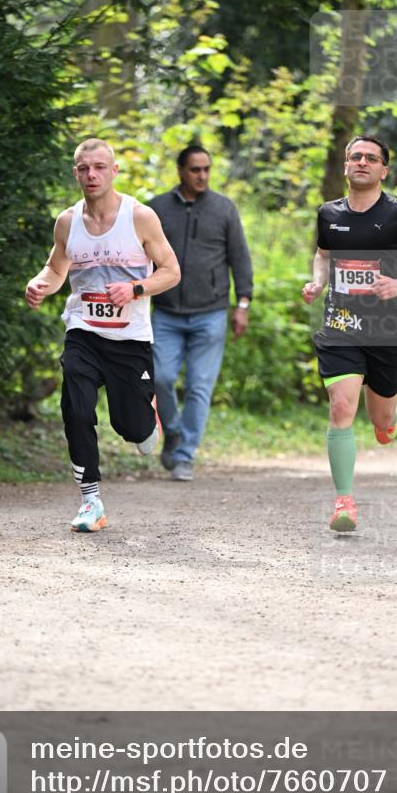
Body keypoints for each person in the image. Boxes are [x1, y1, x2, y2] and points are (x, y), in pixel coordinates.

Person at [25, 138, 180, 532]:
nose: (91, 175)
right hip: (84, 331)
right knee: (75, 410)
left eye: (98, 167)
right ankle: (90, 502)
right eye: (83, 168)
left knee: (132, 430)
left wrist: (136, 289)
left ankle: (148, 416)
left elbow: (171, 272)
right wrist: (40, 283)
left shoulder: (140, 217)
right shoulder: (67, 222)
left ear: (114, 171)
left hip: (129, 339)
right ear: (75, 172)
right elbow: (56, 268)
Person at [302, 135, 397, 532]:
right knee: (342, 407)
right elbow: (324, 255)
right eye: (355, 156)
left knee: (379, 420)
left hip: (387, 331)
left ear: (384, 169)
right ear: (346, 165)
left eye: (371, 158)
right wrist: (318, 283)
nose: (362, 162)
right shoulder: (328, 213)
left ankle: (388, 416)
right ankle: (344, 502)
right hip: (341, 326)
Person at [149, 145, 254, 481]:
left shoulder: (224, 209)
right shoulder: (155, 209)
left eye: (207, 169)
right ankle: (174, 430)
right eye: (195, 169)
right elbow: (138, 259)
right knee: (161, 378)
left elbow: (240, 258)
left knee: (199, 387)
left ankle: (183, 455)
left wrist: (243, 304)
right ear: (181, 170)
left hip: (210, 313)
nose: (202, 175)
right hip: (165, 313)